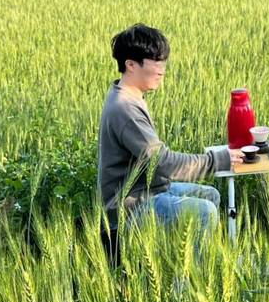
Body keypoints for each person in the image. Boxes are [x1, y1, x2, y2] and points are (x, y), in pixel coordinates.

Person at [98, 24, 242, 237]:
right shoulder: (125, 108)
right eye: (155, 61)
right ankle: (192, 271)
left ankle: (176, 260)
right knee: (205, 212)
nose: (161, 69)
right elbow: (162, 162)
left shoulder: (129, 96)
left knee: (211, 195)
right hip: (128, 206)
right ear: (131, 65)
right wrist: (216, 161)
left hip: (147, 191)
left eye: (163, 61)